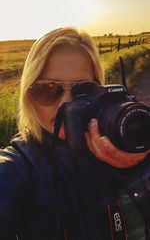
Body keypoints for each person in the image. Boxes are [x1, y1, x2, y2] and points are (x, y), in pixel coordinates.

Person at [0, 27, 150, 240]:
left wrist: (139, 169)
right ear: (29, 96)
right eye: (49, 89)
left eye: (83, 90)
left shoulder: (125, 137)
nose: (66, 103)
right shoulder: (20, 164)